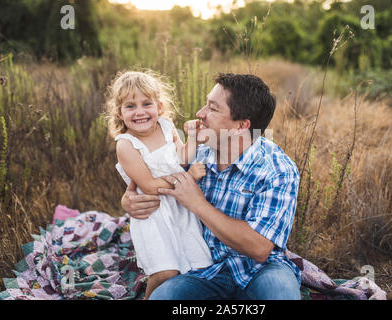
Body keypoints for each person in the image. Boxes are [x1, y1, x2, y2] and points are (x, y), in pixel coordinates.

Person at [121, 73, 302, 300]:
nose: (200, 114)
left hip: (261, 269)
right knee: (163, 297)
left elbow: (259, 248)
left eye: (212, 109)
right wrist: (128, 199)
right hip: (203, 266)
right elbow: (157, 183)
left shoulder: (277, 169)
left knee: (281, 293)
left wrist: (198, 204)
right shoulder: (197, 152)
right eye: (206, 104)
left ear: (241, 126)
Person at [105, 70, 213, 299]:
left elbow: (182, 159)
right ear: (119, 112)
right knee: (166, 271)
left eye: (146, 103)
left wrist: (192, 137)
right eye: (130, 106)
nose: (140, 112)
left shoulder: (166, 126)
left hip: (180, 209)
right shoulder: (126, 144)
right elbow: (151, 185)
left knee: (191, 264)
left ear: (159, 106)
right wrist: (189, 178)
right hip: (153, 213)